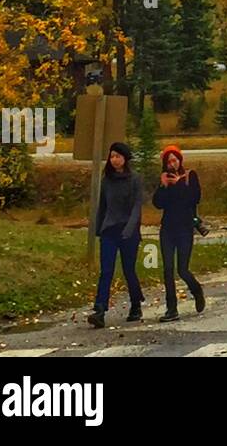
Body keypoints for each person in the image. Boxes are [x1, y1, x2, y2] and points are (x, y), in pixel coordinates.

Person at [87, 141, 144, 328]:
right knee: (106, 271)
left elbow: (137, 207)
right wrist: (98, 229)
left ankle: (136, 304)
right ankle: (100, 309)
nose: (114, 160)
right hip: (109, 231)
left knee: (129, 270)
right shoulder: (107, 181)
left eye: (117, 156)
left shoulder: (134, 179)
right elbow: (102, 207)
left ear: (125, 158)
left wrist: (130, 229)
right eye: (111, 156)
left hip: (128, 232)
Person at [152, 145, 206, 322]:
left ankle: (196, 290)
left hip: (184, 228)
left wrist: (179, 184)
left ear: (180, 160)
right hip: (168, 228)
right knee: (167, 269)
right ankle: (171, 308)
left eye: (174, 160)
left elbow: (194, 198)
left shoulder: (190, 176)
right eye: (168, 161)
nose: (172, 164)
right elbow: (158, 204)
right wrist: (163, 186)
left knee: (182, 269)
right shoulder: (164, 180)